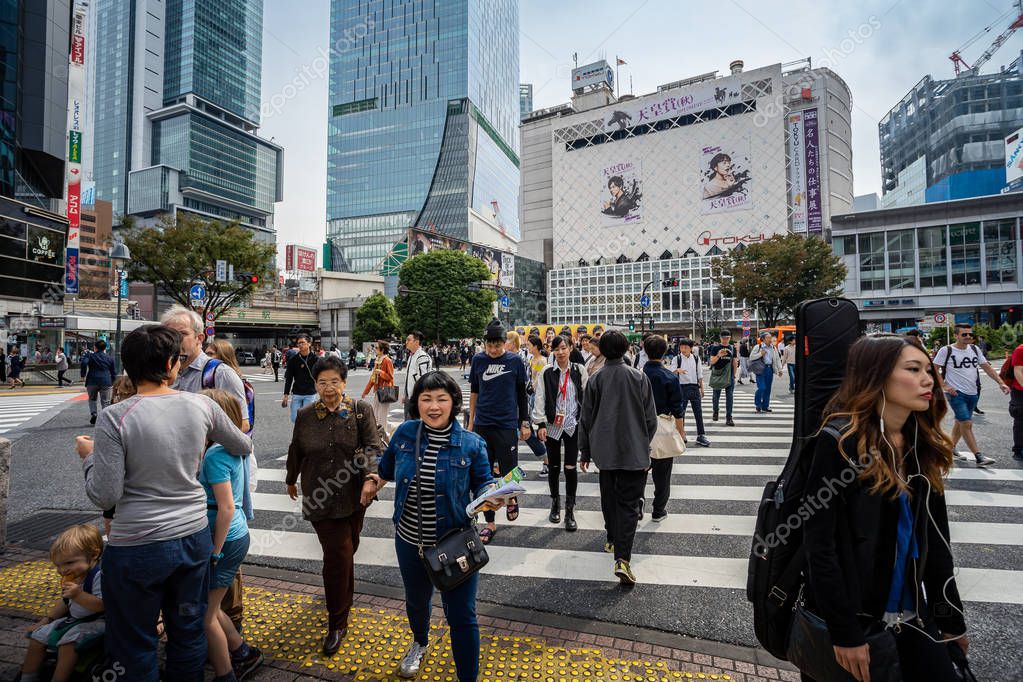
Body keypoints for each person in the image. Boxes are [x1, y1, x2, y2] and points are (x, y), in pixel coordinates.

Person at [75, 324, 252, 681]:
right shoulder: (201, 405)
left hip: (136, 545)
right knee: (187, 631)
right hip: (192, 539)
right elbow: (243, 444)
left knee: (134, 640)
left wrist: (89, 457)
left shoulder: (115, 416)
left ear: (128, 367)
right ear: (171, 364)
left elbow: (105, 495)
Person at [801, 334, 968, 682]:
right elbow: (820, 546)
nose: (929, 380)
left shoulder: (921, 443)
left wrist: (950, 618)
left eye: (928, 370)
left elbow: (937, 541)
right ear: (875, 375)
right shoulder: (840, 443)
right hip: (859, 619)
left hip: (915, 615)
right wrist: (844, 632)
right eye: (913, 369)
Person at [376, 371, 501, 682]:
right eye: (426, 399)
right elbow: (385, 470)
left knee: (463, 616)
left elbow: (484, 482)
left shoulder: (471, 444)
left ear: (454, 403)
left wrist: (492, 495)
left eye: (441, 399)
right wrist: (369, 482)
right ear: (416, 403)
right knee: (417, 602)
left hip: (455, 545)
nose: (434, 406)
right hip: (409, 542)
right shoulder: (405, 434)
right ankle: (420, 642)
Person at [285, 354, 379, 655]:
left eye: (334, 382)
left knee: (348, 548)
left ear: (344, 383)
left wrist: (371, 478)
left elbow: (372, 447)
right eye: (322, 382)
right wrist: (291, 479)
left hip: (354, 495)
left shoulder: (360, 411)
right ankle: (337, 622)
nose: (328, 388)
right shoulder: (306, 415)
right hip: (319, 496)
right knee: (337, 557)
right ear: (315, 384)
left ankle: (341, 594)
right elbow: (297, 449)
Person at [579, 330, 657, 585]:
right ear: (625, 349)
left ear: (602, 349)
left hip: (604, 451)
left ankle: (612, 538)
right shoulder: (639, 377)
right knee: (629, 505)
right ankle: (623, 558)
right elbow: (651, 419)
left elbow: (586, 418)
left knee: (609, 497)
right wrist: (643, 442)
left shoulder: (596, 379)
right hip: (634, 452)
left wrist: (585, 450)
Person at [199, 388, 264, 682]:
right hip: (234, 533)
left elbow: (225, 507)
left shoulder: (215, 455)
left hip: (226, 537)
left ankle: (228, 671)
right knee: (209, 608)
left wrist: (215, 550)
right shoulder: (231, 448)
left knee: (206, 615)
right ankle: (241, 652)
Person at [467, 319, 530, 544]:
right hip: (483, 424)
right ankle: (490, 522)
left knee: (508, 470)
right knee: (484, 474)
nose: (493, 350)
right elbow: (474, 391)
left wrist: (524, 422)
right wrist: (471, 422)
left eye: (497, 345)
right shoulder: (478, 360)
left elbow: (522, 394)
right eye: (489, 345)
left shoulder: (515, 361)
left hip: (506, 424)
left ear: (505, 343)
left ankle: (511, 498)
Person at [19, 525, 105, 682]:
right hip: (76, 620)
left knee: (68, 645)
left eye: (69, 563)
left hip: (98, 621)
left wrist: (78, 595)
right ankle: (28, 677)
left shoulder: (98, 576)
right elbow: (65, 602)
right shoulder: (76, 575)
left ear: (93, 555)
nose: (63, 570)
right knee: (37, 637)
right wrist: (46, 620)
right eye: (58, 565)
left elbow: (102, 605)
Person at [162, 306, 249, 433]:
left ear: (200, 338)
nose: (174, 340)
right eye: (168, 335)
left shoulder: (221, 373)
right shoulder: (163, 371)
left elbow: (242, 424)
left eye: (182, 334)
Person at [933, 323, 1010, 467]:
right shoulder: (946, 350)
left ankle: (949, 448)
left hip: (973, 392)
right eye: (964, 334)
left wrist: (1001, 383)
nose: (968, 336)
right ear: (956, 335)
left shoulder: (975, 349)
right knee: (966, 423)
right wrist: (944, 386)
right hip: (955, 393)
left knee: (960, 422)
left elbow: (986, 367)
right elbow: (934, 368)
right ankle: (979, 456)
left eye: (970, 334)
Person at [533, 335, 588, 531]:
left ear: (571, 348)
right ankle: (555, 504)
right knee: (554, 466)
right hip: (553, 425)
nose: (561, 352)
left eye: (564, 348)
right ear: (552, 351)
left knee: (570, 467)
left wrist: (586, 424)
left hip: (572, 424)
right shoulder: (547, 372)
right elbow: (540, 397)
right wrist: (540, 424)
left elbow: (586, 397)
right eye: (556, 349)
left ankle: (570, 510)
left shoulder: (579, 370)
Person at [641, 335, 686, 523]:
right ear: (665, 352)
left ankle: (637, 502)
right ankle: (658, 510)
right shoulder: (669, 377)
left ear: (645, 351)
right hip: (663, 428)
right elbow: (678, 409)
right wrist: (681, 432)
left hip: (640, 428)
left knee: (639, 469)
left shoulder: (637, 375)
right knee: (663, 473)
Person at [674, 338, 710, 447]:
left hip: (694, 387)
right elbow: (671, 372)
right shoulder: (677, 358)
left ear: (691, 348)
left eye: (685, 347)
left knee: (698, 412)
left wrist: (702, 388)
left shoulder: (696, 358)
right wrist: (677, 370)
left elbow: (699, 374)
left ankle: (701, 435)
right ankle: (682, 435)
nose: (683, 349)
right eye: (681, 347)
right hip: (682, 387)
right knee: (681, 413)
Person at [362, 340, 396, 441]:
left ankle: (383, 439)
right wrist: (366, 391)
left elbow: (390, 377)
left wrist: (381, 372)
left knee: (382, 416)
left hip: (385, 392)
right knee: (375, 415)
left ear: (382, 350)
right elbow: (373, 378)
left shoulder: (387, 360)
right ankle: (391, 428)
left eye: (377, 348)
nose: (375, 349)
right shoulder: (378, 360)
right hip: (378, 391)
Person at [282, 334, 319, 423]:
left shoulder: (316, 359)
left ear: (309, 344)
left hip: (310, 393)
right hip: (297, 392)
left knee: (307, 418)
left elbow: (321, 376)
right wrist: (286, 395)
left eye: (302, 342)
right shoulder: (293, 360)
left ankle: (306, 432)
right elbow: (289, 378)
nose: (300, 345)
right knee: (294, 418)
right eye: (299, 343)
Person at [707, 330, 738, 426]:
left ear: (730, 338)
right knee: (716, 396)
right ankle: (715, 411)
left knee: (730, 397)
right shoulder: (715, 348)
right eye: (724, 338)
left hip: (729, 375)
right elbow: (712, 362)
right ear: (720, 338)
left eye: (727, 338)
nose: (725, 340)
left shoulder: (732, 348)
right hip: (718, 375)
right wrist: (718, 355)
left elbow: (734, 362)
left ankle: (729, 417)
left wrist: (734, 375)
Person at [82, 340, 116, 424]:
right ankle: (106, 418)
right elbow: (113, 372)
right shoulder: (109, 358)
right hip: (106, 381)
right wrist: (113, 381)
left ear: (95, 347)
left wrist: (83, 374)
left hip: (92, 380)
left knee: (92, 399)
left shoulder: (90, 356)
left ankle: (94, 413)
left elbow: (84, 363)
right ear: (105, 348)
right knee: (106, 401)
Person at [403, 331, 433, 421]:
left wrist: (419, 398)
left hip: (416, 398)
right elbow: (409, 377)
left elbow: (423, 380)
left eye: (408, 340)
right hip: (410, 397)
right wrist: (405, 394)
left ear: (416, 342)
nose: (406, 342)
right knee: (408, 423)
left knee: (413, 424)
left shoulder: (422, 357)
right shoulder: (411, 356)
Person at [749, 331, 783, 413]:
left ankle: (765, 406)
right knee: (762, 387)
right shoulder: (758, 347)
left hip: (769, 369)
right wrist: (761, 354)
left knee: (768, 389)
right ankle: (758, 405)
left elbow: (777, 359)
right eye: (768, 338)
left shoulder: (773, 348)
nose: (770, 339)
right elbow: (751, 357)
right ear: (763, 339)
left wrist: (780, 369)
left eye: (771, 337)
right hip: (760, 369)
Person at [1009, 341, 1023, 461]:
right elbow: (1018, 371)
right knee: (1020, 419)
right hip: (1020, 391)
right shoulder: (1020, 350)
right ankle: (1018, 449)